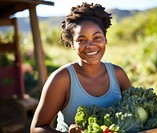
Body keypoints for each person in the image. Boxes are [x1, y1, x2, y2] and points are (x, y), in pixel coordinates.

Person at [30, 2, 132, 133]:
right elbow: (36, 128)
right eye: (81, 40)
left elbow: (135, 112)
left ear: (105, 39)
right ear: (72, 44)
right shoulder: (61, 79)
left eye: (97, 37)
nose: (90, 45)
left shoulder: (118, 74)